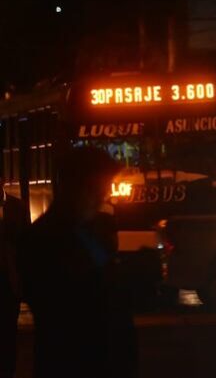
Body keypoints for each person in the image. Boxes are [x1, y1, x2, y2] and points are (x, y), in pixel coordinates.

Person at [18, 146, 137, 378]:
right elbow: (63, 309)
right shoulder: (45, 239)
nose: (105, 194)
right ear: (82, 186)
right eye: (101, 185)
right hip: (77, 364)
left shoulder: (90, 230)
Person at [1, 190, 25, 378]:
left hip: (8, 279)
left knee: (9, 330)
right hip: (10, 277)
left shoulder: (16, 206)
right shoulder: (15, 206)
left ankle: (8, 369)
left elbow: (24, 239)